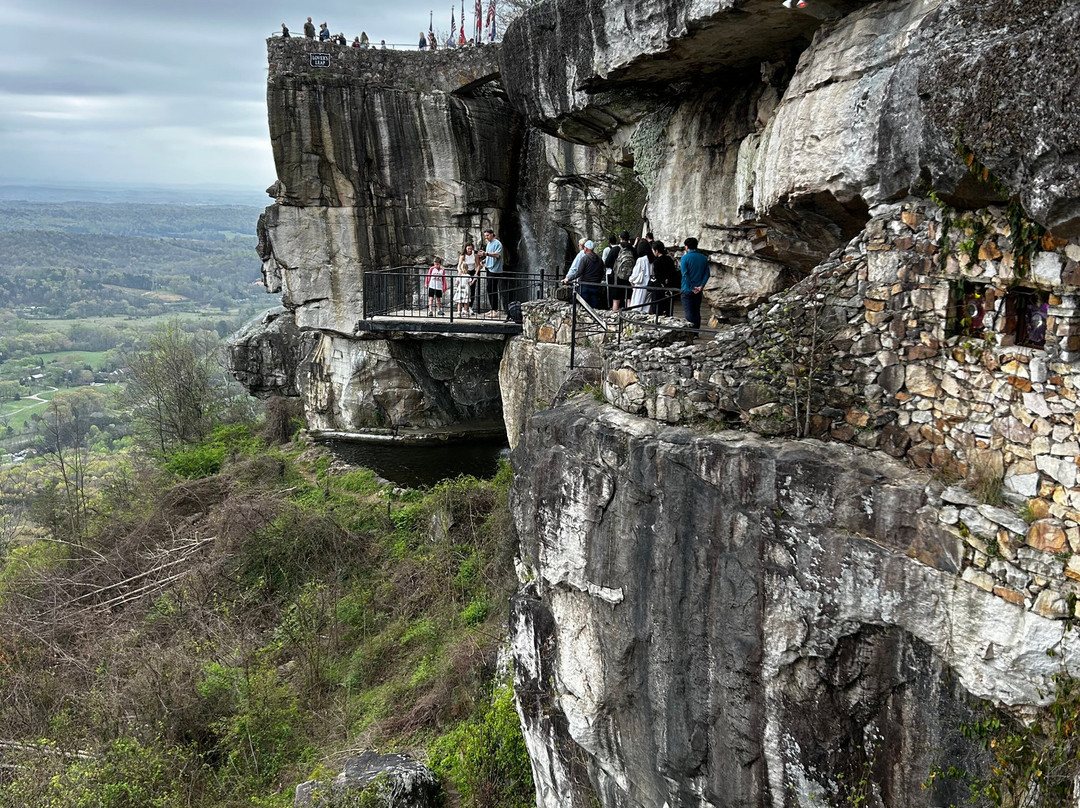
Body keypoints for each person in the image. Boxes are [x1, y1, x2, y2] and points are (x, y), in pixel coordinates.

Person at [562, 241, 605, 308]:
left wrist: (568, 278)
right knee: (594, 308)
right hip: (596, 286)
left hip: (585, 286)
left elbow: (579, 272)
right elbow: (602, 272)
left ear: (586, 248)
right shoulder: (599, 260)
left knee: (584, 308)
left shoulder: (584, 259)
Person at [680, 237, 710, 329]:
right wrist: (701, 286)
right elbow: (707, 274)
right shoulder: (703, 258)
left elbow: (685, 274)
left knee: (689, 312)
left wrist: (692, 287)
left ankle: (690, 332)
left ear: (686, 247)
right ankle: (696, 331)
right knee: (696, 311)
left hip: (687, 288)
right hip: (699, 288)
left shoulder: (685, 258)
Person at [650, 241, 679, 316]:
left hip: (659, 289)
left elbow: (657, 276)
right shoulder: (669, 259)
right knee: (667, 310)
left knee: (657, 310)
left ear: (656, 250)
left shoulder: (656, 262)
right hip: (669, 288)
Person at [480, 228, 504, 314]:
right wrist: (485, 260)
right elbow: (489, 255)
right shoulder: (489, 244)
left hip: (495, 270)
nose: (486, 237)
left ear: (492, 234)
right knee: (489, 289)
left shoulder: (498, 243)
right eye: (485, 236)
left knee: (493, 289)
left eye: (488, 235)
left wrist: (486, 254)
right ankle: (493, 309)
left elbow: (497, 255)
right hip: (489, 268)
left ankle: (495, 310)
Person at [612, 230, 635, 311]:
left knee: (616, 300)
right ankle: (629, 317)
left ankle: (615, 318)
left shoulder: (616, 249)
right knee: (629, 298)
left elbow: (607, 262)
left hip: (617, 277)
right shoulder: (633, 249)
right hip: (630, 277)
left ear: (620, 238)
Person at [629, 240, 653, 310]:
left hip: (640, 285)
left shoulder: (641, 260)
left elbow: (635, 274)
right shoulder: (651, 259)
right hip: (649, 286)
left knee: (637, 307)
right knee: (646, 308)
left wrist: (630, 279)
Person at [458, 243, 479, 315]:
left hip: (472, 272)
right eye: (468, 249)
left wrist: (476, 273)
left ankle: (470, 306)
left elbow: (478, 265)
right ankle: (464, 307)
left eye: (471, 248)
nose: (470, 250)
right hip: (465, 272)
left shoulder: (475, 254)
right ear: (466, 249)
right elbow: (459, 265)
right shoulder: (463, 255)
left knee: (472, 289)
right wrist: (460, 271)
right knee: (464, 290)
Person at [601, 233, 621, 309]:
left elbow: (604, 261)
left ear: (609, 241)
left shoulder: (607, 250)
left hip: (609, 272)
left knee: (609, 289)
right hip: (619, 272)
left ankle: (610, 305)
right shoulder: (620, 248)